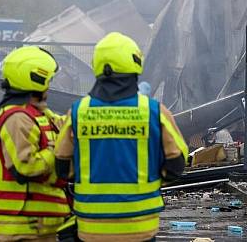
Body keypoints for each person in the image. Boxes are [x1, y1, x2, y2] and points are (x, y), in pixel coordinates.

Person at [54, 32, 188, 242]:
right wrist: (149, 179)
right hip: (139, 227)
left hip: (92, 228)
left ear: (97, 66)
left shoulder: (78, 113)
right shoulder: (154, 112)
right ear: (135, 64)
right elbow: (176, 164)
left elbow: (62, 166)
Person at [0, 46, 72, 242]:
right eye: (48, 80)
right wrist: (57, 150)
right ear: (36, 79)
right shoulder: (17, 118)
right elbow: (27, 167)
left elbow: (65, 125)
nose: (49, 86)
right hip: (22, 227)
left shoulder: (37, 113)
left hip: (39, 224)